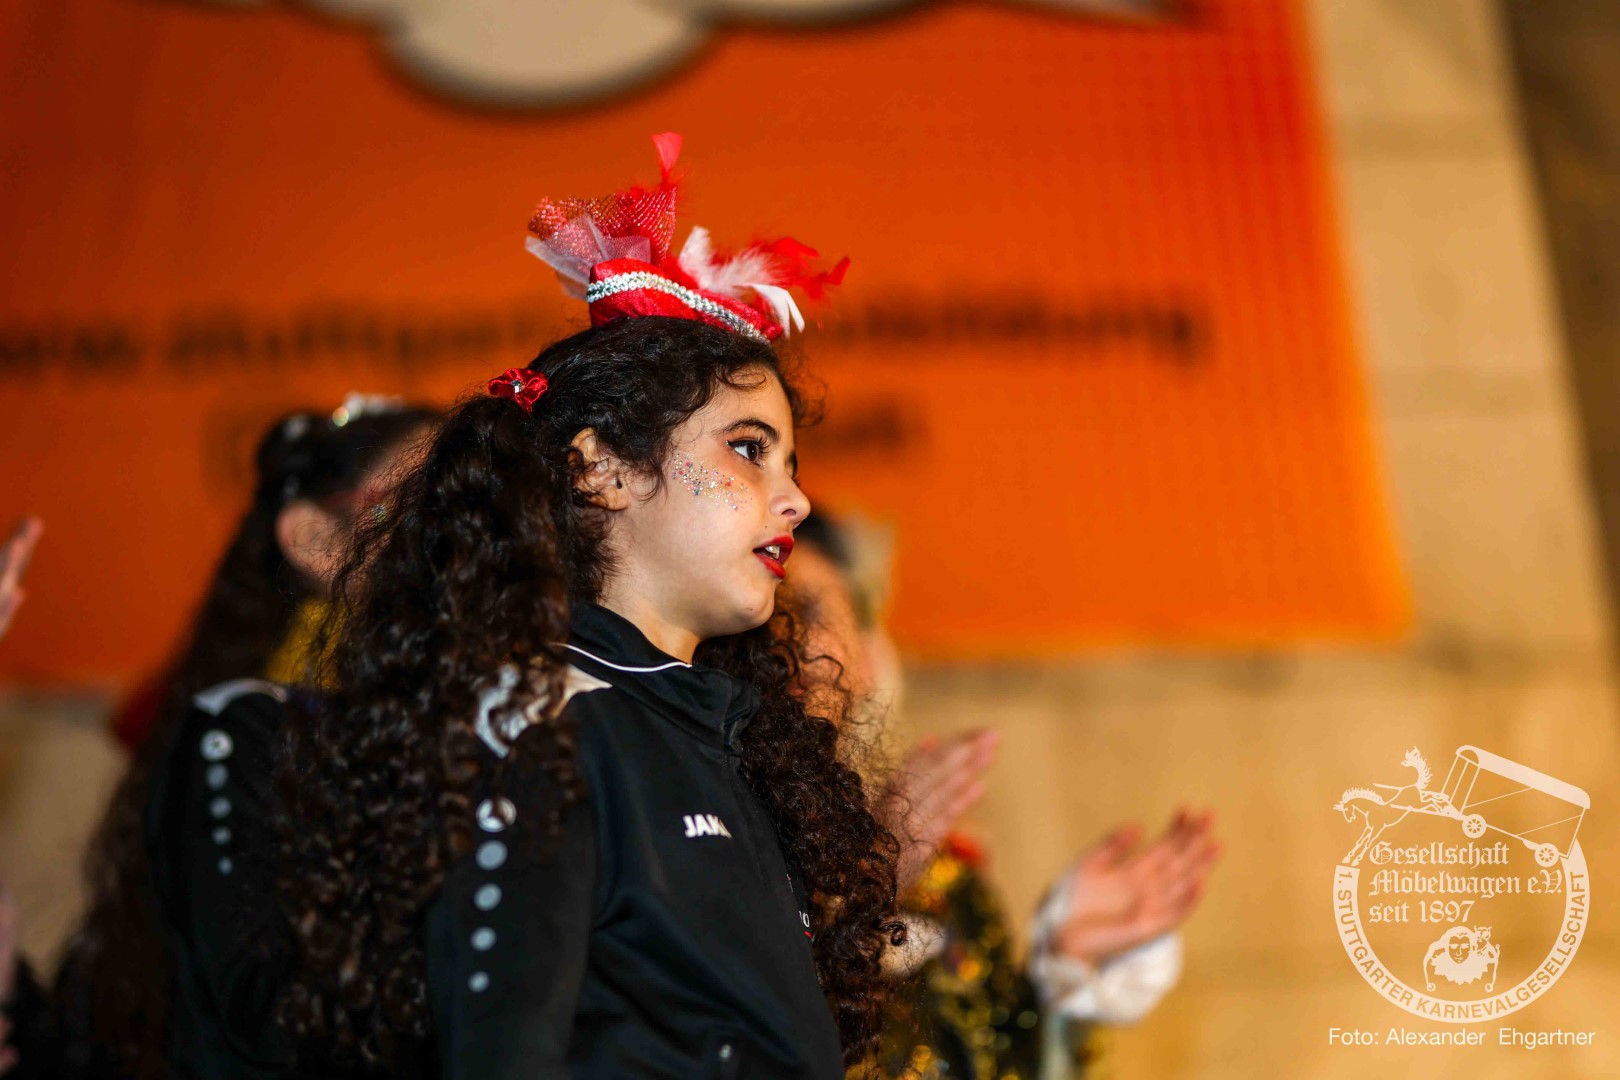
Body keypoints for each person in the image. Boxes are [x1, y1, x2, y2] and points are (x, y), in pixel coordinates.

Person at [273, 135, 897, 1079]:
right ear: (601, 470)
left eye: (791, 464)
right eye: (747, 449)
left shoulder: (718, 735)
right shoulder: (542, 720)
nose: (797, 501)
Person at [27, 396, 437, 1080]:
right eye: (426, 504)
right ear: (317, 540)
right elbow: (268, 1016)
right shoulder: (244, 731)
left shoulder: (501, 710)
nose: (467, 531)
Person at [786, 512, 1221, 1079]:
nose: (781, 643)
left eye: (808, 612)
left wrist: (1064, 973)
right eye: (758, 618)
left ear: (869, 655)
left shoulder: (945, 880)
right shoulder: (713, 846)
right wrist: (866, 886)